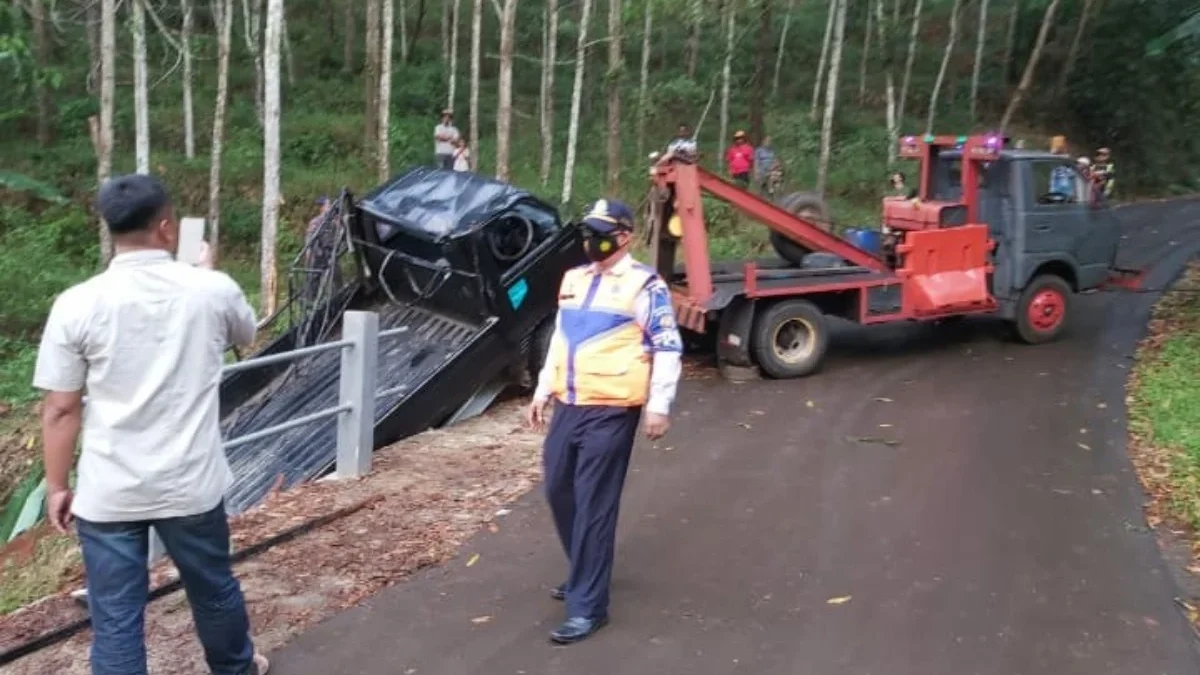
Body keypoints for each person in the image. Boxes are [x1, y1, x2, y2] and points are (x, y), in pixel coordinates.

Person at [34, 174, 268, 675]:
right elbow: (246, 333)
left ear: (110, 229)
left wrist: (57, 486)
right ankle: (236, 669)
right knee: (212, 587)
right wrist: (206, 271)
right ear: (167, 227)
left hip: (110, 488)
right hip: (191, 484)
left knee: (116, 616)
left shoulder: (76, 303)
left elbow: (60, 408)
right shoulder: (211, 289)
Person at [526, 198, 682, 645]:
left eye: (600, 232)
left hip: (613, 408)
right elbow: (560, 338)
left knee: (595, 500)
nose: (590, 240)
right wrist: (541, 390)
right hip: (569, 403)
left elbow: (667, 345)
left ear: (625, 236)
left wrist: (659, 404)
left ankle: (588, 606)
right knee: (558, 486)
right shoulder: (573, 279)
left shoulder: (644, 285)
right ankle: (585, 570)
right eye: (587, 232)